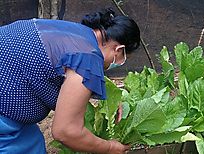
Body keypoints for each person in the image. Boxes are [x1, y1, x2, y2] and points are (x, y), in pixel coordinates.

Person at [0, 8, 140, 154]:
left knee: (32, 144)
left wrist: (110, 97)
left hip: (10, 107)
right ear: (119, 50)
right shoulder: (88, 58)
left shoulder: (78, 33)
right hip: (3, 121)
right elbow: (65, 131)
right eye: (124, 58)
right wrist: (110, 147)